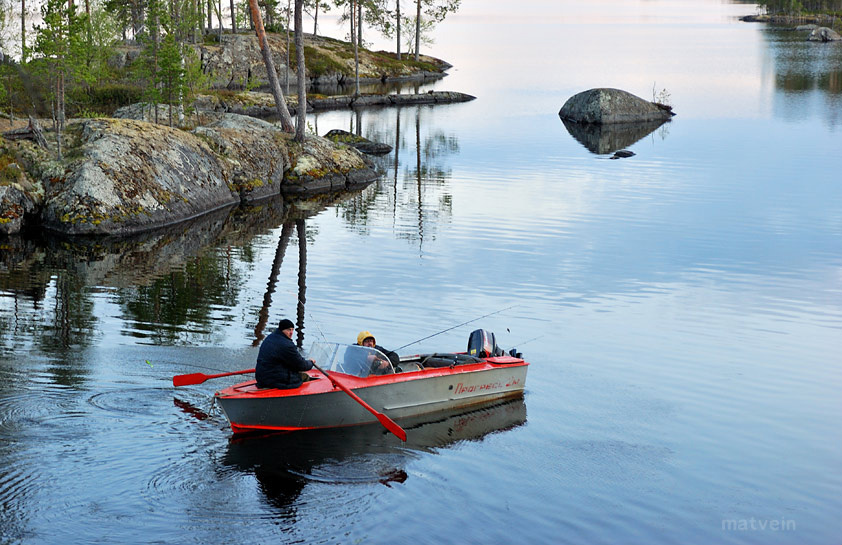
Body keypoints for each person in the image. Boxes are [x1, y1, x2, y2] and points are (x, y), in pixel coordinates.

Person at [255, 319, 315, 389]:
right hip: (275, 381)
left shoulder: (269, 338)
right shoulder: (287, 345)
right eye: (289, 330)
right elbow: (301, 365)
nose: (291, 333)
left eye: (292, 330)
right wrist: (311, 363)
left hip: (261, 378)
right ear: (282, 330)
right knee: (304, 377)